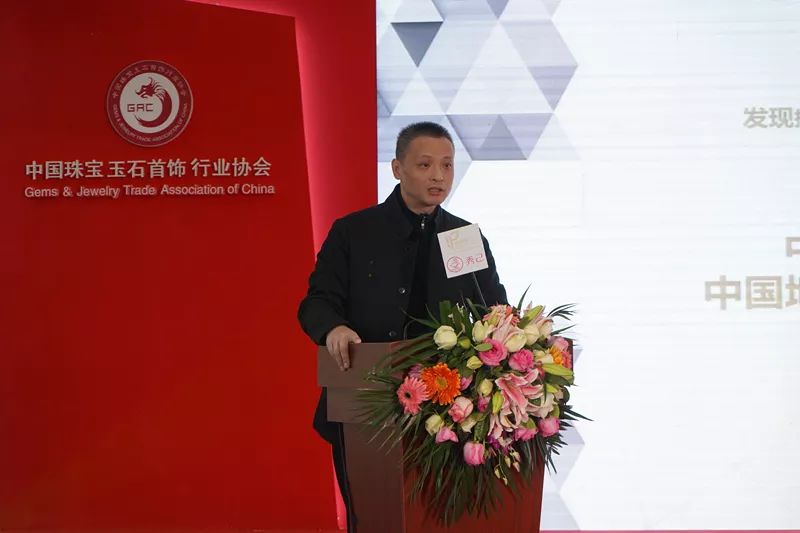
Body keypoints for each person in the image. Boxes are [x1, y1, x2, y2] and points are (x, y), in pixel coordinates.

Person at [297, 121, 507, 530]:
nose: (438, 176)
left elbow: (493, 311)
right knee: (376, 516)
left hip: (448, 406)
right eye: (425, 165)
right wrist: (334, 329)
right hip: (366, 397)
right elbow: (317, 303)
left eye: (447, 165)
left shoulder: (464, 237)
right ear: (397, 169)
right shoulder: (355, 232)